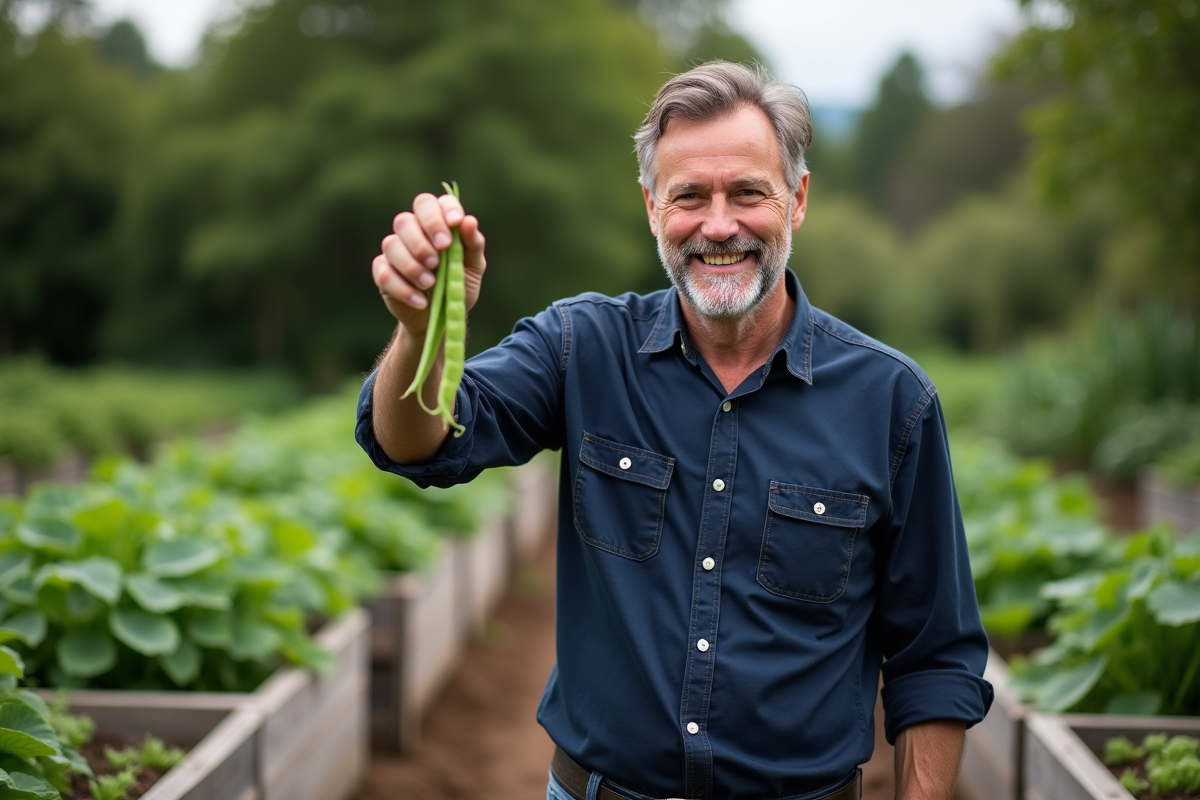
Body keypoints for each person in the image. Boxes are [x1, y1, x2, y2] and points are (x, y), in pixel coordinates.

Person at [357, 61, 993, 800]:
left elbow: (935, 658)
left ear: (798, 200)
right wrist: (420, 332)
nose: (717, 225)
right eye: (689, 195)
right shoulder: (581, 347)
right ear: (652, 207)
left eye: (747, 193)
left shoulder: (892, 401)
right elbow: (418, 442)